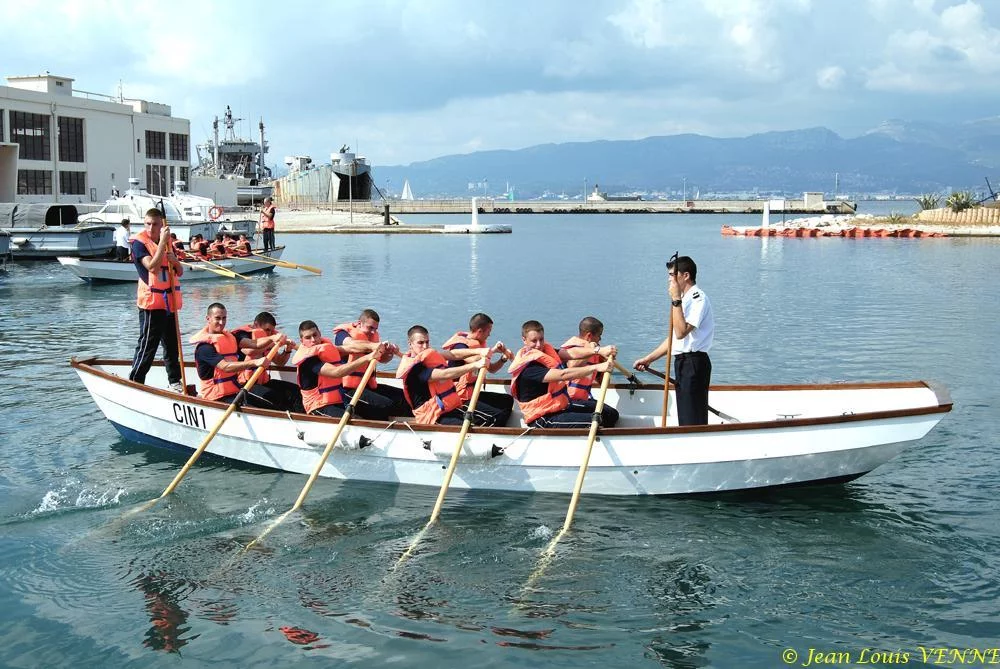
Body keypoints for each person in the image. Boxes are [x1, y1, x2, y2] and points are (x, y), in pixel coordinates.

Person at [634, 255, 715, 426]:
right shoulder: (685, 299)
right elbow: (673, 340)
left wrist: (676, 300)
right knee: (685, 415)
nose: (669, 279)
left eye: (672, 275)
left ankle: (695, 440)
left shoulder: (697, 298)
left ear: (685, 276)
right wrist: (649, 359)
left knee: (692, 418)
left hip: (694, 362)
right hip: (682, 362)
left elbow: (681, 332)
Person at [509, 320, 617, 428]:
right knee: (597, 420)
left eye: (541, 339)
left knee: (610, 414)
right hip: (542, 418)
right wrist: (597, 367)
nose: (539, 345)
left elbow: (570, 353)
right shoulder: (529, 367)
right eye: (534, 341)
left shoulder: (545, 351)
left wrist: (598, 350)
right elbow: (563, 374)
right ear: (524, 340)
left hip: (558, 407)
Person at [396, 325, 509, 426]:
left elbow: (453, 354)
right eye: (420, 343)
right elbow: (444, 374)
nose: (425, 346)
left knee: (492, 415)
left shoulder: (427, 355)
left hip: (446, 409)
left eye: (427, 342)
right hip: (432, 417)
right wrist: (475, 365)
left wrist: (479, 351)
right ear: (410, 344)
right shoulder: (414, 368)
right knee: (491, 420)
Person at [128, 208, 184, 392]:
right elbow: (152, 267)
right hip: (151, 302)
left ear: (162, 225)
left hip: (169, 302)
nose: (151, 228)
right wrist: (162, 245)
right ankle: (136, 380)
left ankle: (174, 380)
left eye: (155, 224)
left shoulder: (168, 244)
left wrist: (174, 260)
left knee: (172, 345)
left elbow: (179, 271)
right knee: (148, 344)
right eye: (148, 224)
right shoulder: (139, 244)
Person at [189, 303, 282, 406]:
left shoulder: (231, 337)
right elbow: (225, 367)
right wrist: (255, 362)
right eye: (218, 318)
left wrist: (272, 338)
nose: (221, 322)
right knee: (266, 408)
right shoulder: (205, 347)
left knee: (270, 405)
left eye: (224, 318)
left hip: (234, 392)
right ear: (208, 319)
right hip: (216, 398)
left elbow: (254, 343)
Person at [292, 320, 390, 418]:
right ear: (302, 341)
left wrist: (374, 346)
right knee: (356, 420)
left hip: (336, 401)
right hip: (318, 407)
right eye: (308, 338)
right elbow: (336, 372)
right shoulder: (308, 360)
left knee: (377, 411)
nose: (313, 340)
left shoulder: (325, 348)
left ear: (320, 334)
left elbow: (351, 348)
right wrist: (367, 357)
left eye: (315, 335)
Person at [332, 309, 409, 421]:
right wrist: (373, 346)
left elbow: (384, 360)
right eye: (370, 328)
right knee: (386, 405)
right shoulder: (343, 334)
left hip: (367, 386)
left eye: (375, 329)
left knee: (404, 396)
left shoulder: (372, 337)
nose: (373, 332)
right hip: (347, 390)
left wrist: (389, 352)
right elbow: (351, 345)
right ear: (359, 323)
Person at [442, 313, 515, 422]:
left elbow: (492, 369)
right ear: (480, 331)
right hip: (460, 398)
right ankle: (483, 429)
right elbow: (473, 360)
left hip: (472, 394)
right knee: (497, 415)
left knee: (507, 400)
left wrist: (503, 359)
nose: (489, 335)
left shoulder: (478, 344)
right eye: (489, 331)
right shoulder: (460, 346)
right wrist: (492, 351)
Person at [232, 312, 302, 412]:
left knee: (295, 391)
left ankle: (302, 417)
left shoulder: (269, 339)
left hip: (263, 382)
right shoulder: (242, 335)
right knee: (276, 398)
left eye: (271, 331)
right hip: (244, 385)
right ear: (256, 325)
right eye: (267, 330)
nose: (269, 334)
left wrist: (287, 350)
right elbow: (250, 351)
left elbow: (280, 362)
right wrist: (273, 342)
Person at [558, 316, 620, 426]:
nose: (600, 339)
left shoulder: (594, 353)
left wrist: (605, 364)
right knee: (610, 415)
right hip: (568, 400)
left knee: (612, 414)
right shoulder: (572, 348)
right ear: (589, 336)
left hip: (583, 399)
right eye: (599, 335)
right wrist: (594, 350)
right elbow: (572, 365)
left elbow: (604, 383)